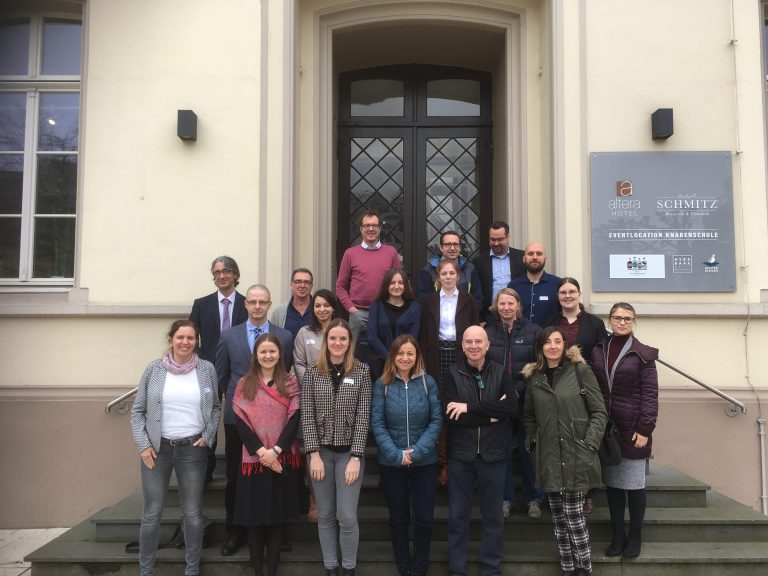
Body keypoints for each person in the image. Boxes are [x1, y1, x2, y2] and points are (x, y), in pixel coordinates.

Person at [130, 320, 221, 576]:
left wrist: (208, 435)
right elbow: (137, 412)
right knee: (152, 513)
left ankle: (192, 569)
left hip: (193, 448)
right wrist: (143, 445)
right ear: (171, 340)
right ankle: (146, 571)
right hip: (157, 450)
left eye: (190, 338)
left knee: (192, 512)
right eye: (180, 337)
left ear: (196, 342)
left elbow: (215, 406)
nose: (185, 342)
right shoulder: (154, 369)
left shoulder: (206, 369)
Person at [216, 284, 295, 556]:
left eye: (262, 302)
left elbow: (285, 372)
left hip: (275, 422)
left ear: (270, 304)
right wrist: (243, 403)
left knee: (275, 475)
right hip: (239, 420)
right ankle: (235, 531)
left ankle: (276, 532)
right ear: (246, 305)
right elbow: (222, 375)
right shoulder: (229, 336)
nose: (257, 306)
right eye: (253, 302)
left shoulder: (284, 336)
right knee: (236, 477)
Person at [522, 326, 607, 576]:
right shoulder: (535, 378)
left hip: (577, 453)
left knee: (574, 516)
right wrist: (533, 442)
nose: (552, 346)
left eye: (557, 341)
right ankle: (568, 568)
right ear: (541, 346)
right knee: (559, 518)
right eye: (547, 342)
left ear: (564, 345)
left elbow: (599, 411)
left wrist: (590, 443)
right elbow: (529, 416)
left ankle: (584, 568)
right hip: (549, 455)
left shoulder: (580, 371)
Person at [443, 325, 518, 576]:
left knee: (493, 517)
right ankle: (457, 569)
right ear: (462, 346)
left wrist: (469, 408)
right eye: (469, 342)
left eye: (478, 341)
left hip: (493, 455)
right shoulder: (452, 374)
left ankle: (490, 568)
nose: (473, 346)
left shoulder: (501, 372)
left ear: (487, 345)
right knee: (458, 516)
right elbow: (452, 417)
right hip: (460, 456)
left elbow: (511, 409)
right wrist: (492, 414)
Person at [301, 319, 373, 576]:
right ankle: (331, 567)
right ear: (326, 341)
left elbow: (363, 417)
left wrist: (356, 456)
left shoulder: (361, 372)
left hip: (349, 456)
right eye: (333, 338)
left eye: (343, 338)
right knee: (325, 515)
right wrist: (313, 454)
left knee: (347, 515)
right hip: (320, 454)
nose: (337, 343)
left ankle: (348, 568)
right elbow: (307, 414)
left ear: (349, 342)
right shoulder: (312, 371)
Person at [590, 303, 659, 559]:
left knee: (635, 486)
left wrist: (645, 428)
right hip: (608, 430)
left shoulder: (643, 354)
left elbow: (650, 394)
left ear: (633, 322)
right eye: (617, 318)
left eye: (627, 318)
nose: (622, 322)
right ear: (610, 320)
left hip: (632, 428)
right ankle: (617, 535)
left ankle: (635, 535)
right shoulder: (599, 349)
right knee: (614, 486)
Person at [370, 335, 442, 576]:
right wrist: (396, 455)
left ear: (417, 356)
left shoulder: (428, 383)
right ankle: (403, 566)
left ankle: (420, 567)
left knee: (424, 518)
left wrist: (418, 452)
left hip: (425, 462)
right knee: (399, 518)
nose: (405, 358)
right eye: (400, 353)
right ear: (392, 356)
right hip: (393, 463)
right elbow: (377, 423)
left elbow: (436, 420)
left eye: (410, 353)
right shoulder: (382, 384)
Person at [233, 333, 303, 576]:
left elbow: (294, 418)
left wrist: (276, 450)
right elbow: (240, 421)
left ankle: (271, 571)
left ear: (279, 354)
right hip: (254, 460)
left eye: (272, 351)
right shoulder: (245, 383)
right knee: (254, 520)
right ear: (256, 355)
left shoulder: (290, 382)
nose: (268, 355)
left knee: (277, 519)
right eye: (263, 351)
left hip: (282, 458)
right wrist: (262, 452)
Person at [545, 277, 609, 515]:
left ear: (579, 294)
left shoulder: (594, 324)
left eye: (572, 291)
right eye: (563, 292)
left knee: (584, 439)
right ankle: (560, 490)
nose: (567, 296)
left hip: (584, 385)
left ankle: (588, 492)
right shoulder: (550, 322)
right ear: (558, 296)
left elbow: (601, 357)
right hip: (557, 386)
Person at [483, 287, 544, 519]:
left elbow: (538, 366)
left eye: (511, 303)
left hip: (527, 401)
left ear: (518, 305)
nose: (506, 307)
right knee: (503, 451)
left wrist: (517, 391)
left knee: (530, 451)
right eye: (502, 303)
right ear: (496, 306)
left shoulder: (533, 332)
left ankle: (534, 499)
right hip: (499, 402)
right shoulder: (488, 333)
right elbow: (484, 367)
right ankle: (505, 499)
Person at [419, 258, 479, 486]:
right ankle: (442, 463)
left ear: (458, 276)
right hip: (436, 356)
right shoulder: (429, 301)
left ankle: (461, 461)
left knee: (459, 401)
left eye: (451, 273)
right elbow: (424, 333)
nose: (447, 277)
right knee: (439, 404)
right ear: (438, 277)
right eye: (443, 274)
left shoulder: (469, 300)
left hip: (460, 355)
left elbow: (474, 328)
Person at [189, 255, 248, 483]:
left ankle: (238, 470)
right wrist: (199, 362)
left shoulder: (247, 304)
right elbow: (192, 337)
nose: (221, 276)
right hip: (208, 370)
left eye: (226, 271)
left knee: (238, 420)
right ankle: (206, 471)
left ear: (235, 274)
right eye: (217, 272)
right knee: (207, 419)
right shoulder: (201, 305)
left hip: (239, 373)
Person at [336, 210, 402, 356]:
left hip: (385, 312)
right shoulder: (350, 254)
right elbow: (340, 286)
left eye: (374, 225)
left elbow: (399, 282)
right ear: (361, 229)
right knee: (354, 356)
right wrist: (351, 309)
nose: (371, 229)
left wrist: (393, 308)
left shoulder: (391, 252)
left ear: (380, 228)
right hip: (358, 314)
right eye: (367, 226)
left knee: (386, 354)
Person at [367, 268, 421, 380]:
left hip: (406, 363)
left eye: (400, 283)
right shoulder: (376, 305)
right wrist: (390, 357)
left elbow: (413, 337)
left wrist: (400, 357)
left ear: (405, 285)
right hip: (381, 363)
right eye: (392, 283)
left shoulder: (415, 307)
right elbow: (372, 337)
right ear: (386, 285)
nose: (396, 286)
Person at [417, 230, 483, 312]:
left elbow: (478, 300)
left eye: (455, 244)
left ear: (460, 247)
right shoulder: (428, 270)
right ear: (441, 248)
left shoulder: (470, 269)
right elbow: (423, 300)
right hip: (438, 317)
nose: (452, 248)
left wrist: (464, 314)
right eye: (448, 244)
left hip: (464, 317)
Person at [472, 221, 525, 321]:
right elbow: (477, 293)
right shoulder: (479, 262)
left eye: (500, 239)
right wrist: (481, 319)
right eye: (492, 239)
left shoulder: (521, 258)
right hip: (490, 316)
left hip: (517, 316)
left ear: (507, 237)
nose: (496, 243)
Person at [507, 242, 561, 326]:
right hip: (520, 333)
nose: (535, 257)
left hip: (549, 334)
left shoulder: (558, 284)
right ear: (524, 258)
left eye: (539, 254)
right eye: (530, 254)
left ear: (545, 258)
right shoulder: (514, 285)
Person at [293, 289, 341, 384]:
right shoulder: (304, 332)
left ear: (333, 308)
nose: (322, 309)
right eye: (318, 306)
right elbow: (299, 363)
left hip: (338, 385)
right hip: (311, 386)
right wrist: (309, 385)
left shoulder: (342, 331)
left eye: (326, 305)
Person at [270, 268, 314, 340]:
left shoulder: (319, 310)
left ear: (311, 286)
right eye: (298, 282)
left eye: (306, 282)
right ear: (291, 285)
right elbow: (273, 339)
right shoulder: (278, 312)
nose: (302, 285)